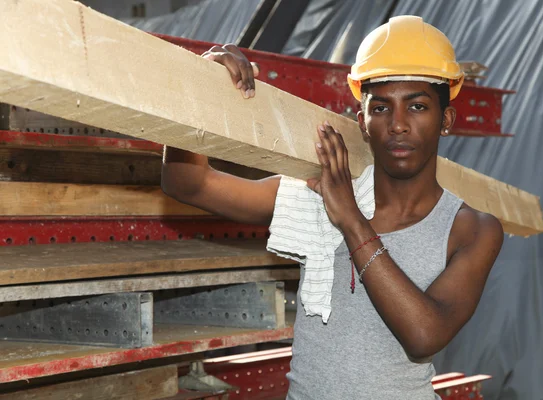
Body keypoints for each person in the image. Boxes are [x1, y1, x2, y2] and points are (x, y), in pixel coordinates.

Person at [162, 15, 503, 400]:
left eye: (418, 106)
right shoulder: (319, 194)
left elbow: (424, 336)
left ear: (446, 120)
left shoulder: (471, 229)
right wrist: (198, 89)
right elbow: (187, 184)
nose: (398, 125)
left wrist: (351, 219)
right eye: (381, 109)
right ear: (361, 121)